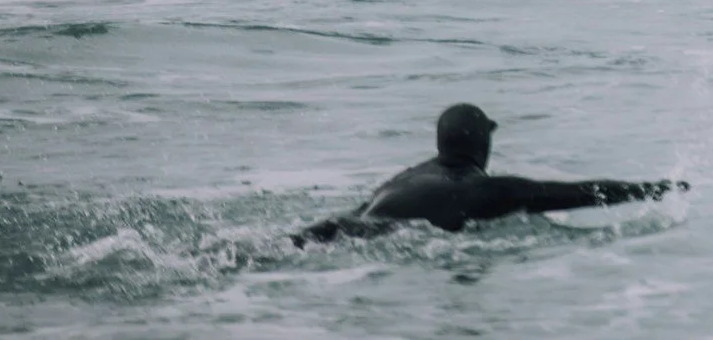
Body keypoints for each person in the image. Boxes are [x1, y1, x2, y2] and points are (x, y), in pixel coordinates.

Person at [292, 103, 683, 243]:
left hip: (337, 228)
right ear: (485, 145)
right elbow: (578, 193)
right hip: (388, 241)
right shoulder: (486, 191)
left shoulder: (403, 178)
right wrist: (657, 188)